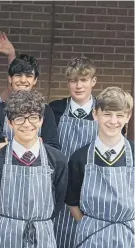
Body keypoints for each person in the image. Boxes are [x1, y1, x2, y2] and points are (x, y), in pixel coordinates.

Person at [0, 90, 68, 248]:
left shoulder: (57, 160)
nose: (27, 124)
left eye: (33, 117)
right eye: (19, 118)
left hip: (43, 236)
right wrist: (12, 224)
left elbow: (59, 202)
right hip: (6, 235)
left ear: (42, 120)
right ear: (10, 122)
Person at [65, 87, 134, 248]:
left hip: (129, 236)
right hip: (91, 236)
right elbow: (72, 202)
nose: (113, 121)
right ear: (96, 114)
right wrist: (87, 226)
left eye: (120, 115)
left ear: (128, 117)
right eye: (107, 114)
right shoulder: (80, 158)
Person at [48, 56, 100, 248]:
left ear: (93, 81)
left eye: (84, 80)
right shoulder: (54, 110)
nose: (78, 86)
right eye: (73, 80)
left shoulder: (104, 112)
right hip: (59, 188)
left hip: (90, 189)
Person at [0, 54, 60, 154]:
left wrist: (8, 146)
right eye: (18, 75)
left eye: (29, 76)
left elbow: (53, 146)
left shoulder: (45, 110)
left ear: (35, 80)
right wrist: (36, 145)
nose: (23, 80)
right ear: (10, 79)